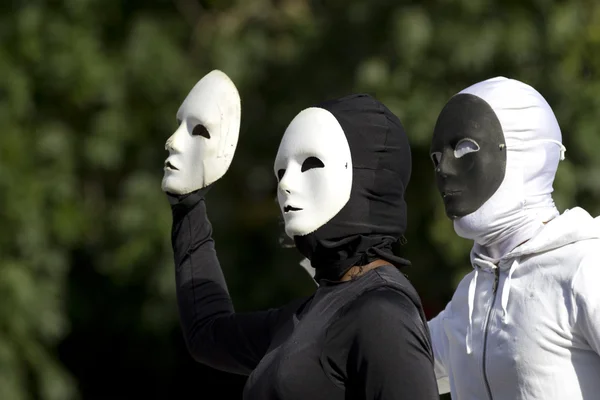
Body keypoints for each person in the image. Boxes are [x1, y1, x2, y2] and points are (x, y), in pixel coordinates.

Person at [161, 69, 439, 399]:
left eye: (310, 164)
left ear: (366, 179)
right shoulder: (308, 314)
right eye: (281, 171)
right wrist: (188, 204)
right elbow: (207, 334)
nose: (285, 184)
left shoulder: (382, 313)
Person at [427, 76, 600, 399]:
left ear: (528, 153)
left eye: (465, 148)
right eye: (436, 158)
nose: (444, 169)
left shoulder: (585, 269)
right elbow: (388, 360)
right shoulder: (467, 300)